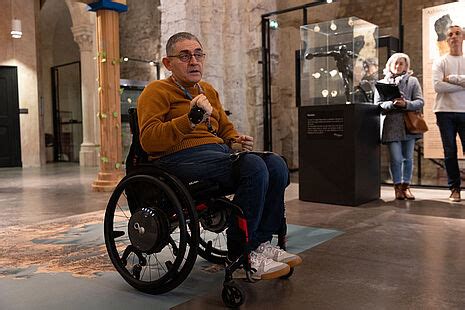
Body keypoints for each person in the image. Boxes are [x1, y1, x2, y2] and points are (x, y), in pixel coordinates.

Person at [137, 32, 302, 279]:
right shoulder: (156, 90)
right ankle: (240, 254)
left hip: (217, 154)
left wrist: (235, 141)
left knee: (276, 164)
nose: (193, 61)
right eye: (184, 56)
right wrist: (189, 120)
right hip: (177, 161)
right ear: (168, 63)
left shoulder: (208, 91)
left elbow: (224, 128)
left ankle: (260, 244)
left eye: (198, 54)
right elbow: (149, 141)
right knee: (254, 167)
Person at [374, 53, 424, 200]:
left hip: (409, 123)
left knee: (408, 158)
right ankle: (397, 187)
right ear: (389, 65)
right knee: (396, 158)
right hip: (391, 124)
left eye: (401, 63)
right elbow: (377, 104)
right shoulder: (381, 83)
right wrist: (391, 103)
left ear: (406, 66)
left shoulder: (413, 81)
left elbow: (420, 101)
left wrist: (406, 104)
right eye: (395, 63)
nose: (398, 66)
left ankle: (406, 186)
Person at [432, 25, 465, 203]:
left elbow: (445, 83)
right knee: (450, 151)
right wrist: (463, 84)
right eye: (450, 35)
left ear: (463, 37)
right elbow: (437, 86)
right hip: (444, 112)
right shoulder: (440, 61)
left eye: (457, 33)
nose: (454, 37)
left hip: (464, 111)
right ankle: (454, 189)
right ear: (447, 39)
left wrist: (452, 78)